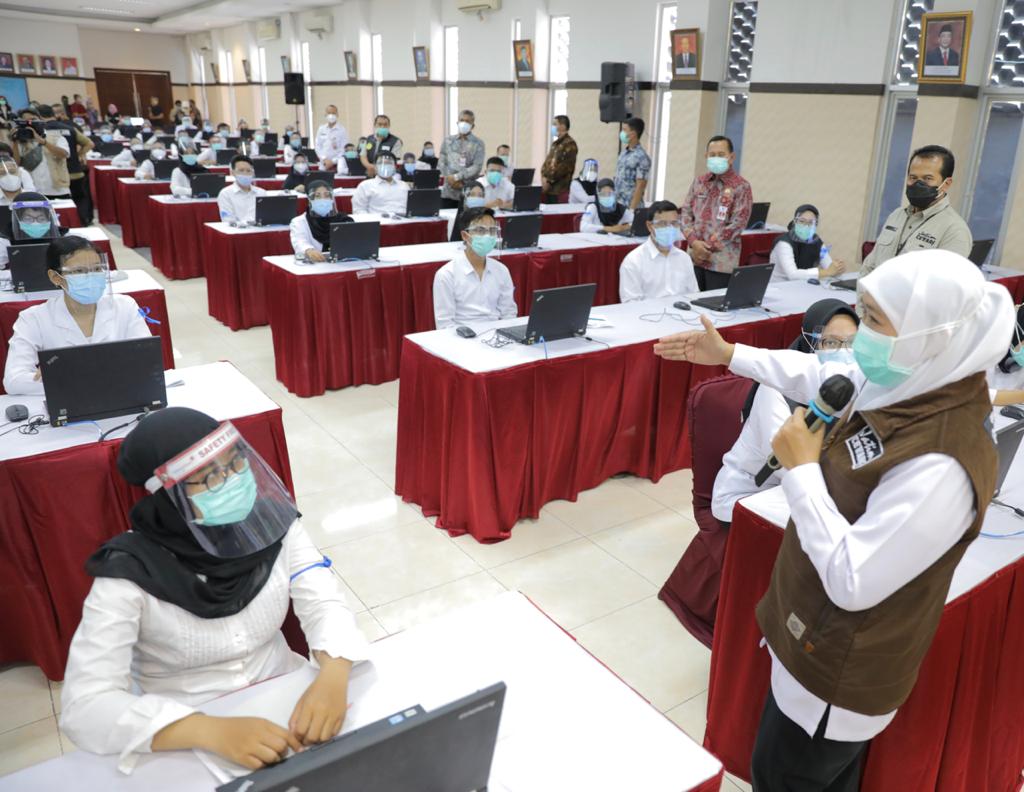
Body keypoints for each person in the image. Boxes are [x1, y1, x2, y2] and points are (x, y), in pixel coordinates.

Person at [653, 249, 1011, 792]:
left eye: (874, 320)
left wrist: (800, 471)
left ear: (930, 335)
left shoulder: (943, 459)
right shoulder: (909, 382)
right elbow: (822, 369)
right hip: (808, 642)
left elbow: (853, 581)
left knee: (788, 776)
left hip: (836, 676)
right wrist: (729, 354)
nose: (861, 335)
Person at [60, 406, 369, 772]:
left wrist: (334, 674)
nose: (231, 481)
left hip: (288, 694)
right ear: (166, 497)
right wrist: (205, 730)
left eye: (236, 463)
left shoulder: (272, 524)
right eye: (207, 479)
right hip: (183, 728)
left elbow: (324, 603)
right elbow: (85, 706)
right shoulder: (128, 573)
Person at [668, 300, 859, 648]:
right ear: (809, 341)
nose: (843, 353)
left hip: (791, 492)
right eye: (832, 343)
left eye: (852, 344)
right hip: (749, 496)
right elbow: (793, 464)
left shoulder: (847, 388)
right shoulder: (777, 393)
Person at [3, 236, 149, 395]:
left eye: (97, 269)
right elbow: (14, 381)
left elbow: (147, 362)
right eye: (79, 271)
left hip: (121, 397)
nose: (91, 277)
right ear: (55, 277)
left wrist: (64, 376)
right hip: (68, 407)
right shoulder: (34, 318)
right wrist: (104, 375)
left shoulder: (125, 306)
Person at [861, 145, 971, 276]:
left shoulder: (955, 230)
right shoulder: (896, 215)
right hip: (872, 295)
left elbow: (943, 286)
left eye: (927, 178)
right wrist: (864, 295)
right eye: (913, 177)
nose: (918, 184)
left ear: (946, 184)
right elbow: (869, 265)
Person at [680, 134, 753, 291]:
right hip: (693, 256)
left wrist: (707, 247)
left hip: (720, 260)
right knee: (688, 302)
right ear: (706, 156)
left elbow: (738, 223)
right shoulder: (699, 182)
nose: (716, 158)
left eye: (721, 155)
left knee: (714, 309)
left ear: (731, 157)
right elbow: (685, 212)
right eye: (712, 155)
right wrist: (693, 242)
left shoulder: (741, 186)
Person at [433, 206, 516, 329]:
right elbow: (445, 323)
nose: (488, 236)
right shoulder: (447, 274)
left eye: (492, 231)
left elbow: (508, 313)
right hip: (463, 338)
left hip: (497, 336)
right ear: (465, 236)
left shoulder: (502, 270)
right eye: (480, 230)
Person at [618, 200, 697, 302]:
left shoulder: (684, 258)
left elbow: (694, 295)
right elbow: (630, 304)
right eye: (662, 224)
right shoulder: (633, 261)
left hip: (682, 315)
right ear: (650, 226)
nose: (669, 228)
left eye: (674, 223)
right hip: (647, 316)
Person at [769, 204, 847, 283]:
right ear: (795, 221)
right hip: (779, 287)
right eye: (802, 221)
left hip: (804, 286)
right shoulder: (784, 243)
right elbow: (792, 274)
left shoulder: (817, 242)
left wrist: (837, 268)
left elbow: (829, 265)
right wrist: (827, 272)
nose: (806, 225)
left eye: (811, 223)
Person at [46, 103, 94, 226]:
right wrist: (78, 155)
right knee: (80, 199)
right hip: (75, 171)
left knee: (62, 203)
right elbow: (89, 143)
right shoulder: (71, 128)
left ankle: (67, 225)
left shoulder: (42, 131)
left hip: (56, 174)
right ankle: (83, 223)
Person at [12, 109, 70, 199]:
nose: (30, 123)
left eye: (33, 119)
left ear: (40, 119)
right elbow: (16, 164)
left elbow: (64, 154)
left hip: (58, 190)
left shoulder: (56, 136)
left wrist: (42, 141)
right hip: (33, 191)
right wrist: (14, 142)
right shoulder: (21, 142)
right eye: (26, 121)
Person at [290, 180, 351, 262]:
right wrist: (308, 250)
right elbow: (299, 242)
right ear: (310, 200)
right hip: (316, 265)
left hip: (342, 263)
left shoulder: (343, 219)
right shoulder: (299, 222)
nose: (323, 199)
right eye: (317, 196)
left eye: (327, 195)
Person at [439, 110, 485, 208]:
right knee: (448, 221)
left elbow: (477, 167)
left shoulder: (478, 144)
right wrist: (449, 179)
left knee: (465, 222)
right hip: (448, 192)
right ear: (457, 123)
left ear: (473, 126)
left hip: (468, 194)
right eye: (462, 120)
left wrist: (456, 177)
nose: (464, 123)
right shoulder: (448, 141)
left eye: (468, 121)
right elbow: (442, 163)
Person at [614, 117, 650, 212]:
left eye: (625, 130)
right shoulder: (624, 153)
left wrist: (632, 210)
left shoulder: (641, 157)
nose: (622, 133)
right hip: (618, 204)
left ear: (633, 134)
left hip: (630, 207)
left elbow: (641, 185)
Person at [540, 115, 578, 203]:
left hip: (559, 190)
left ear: (563, 126)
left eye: (555, 124)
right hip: (548, 190)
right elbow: (547, 163)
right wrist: (543, 178)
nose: (552, 127)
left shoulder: (570, 144)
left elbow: (564, 167)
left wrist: (549, 181)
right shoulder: (555, 144)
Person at [218, 154, 265, 223]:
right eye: (241, 170)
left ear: (253, 172)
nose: (245, 174)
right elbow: (228, 221)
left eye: (248, 171)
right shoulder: (225, 194)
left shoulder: (261, 192)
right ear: (233, 172)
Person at [314, 105, 349, 172]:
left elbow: (344, 148)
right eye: (329, 113)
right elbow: (318, 146)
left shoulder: (342, 130)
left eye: (333, 113)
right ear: (325, 114)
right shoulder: (321, 129)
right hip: (323, 164)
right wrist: (324, 159)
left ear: (337, 114)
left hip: (337, 165)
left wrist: (333, 161)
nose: (331, 115)